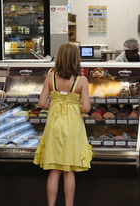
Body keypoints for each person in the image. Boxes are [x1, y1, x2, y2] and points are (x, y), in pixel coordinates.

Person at [33, 42, 93, 206]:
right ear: (76, 59)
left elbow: (41, 103)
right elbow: (87, 108)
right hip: (73, 127)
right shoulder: (82, 80)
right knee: (69, 171)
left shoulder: (51, 77)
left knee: (54, 171)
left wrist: (55, 105)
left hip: (54, 125)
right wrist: (75, 107)